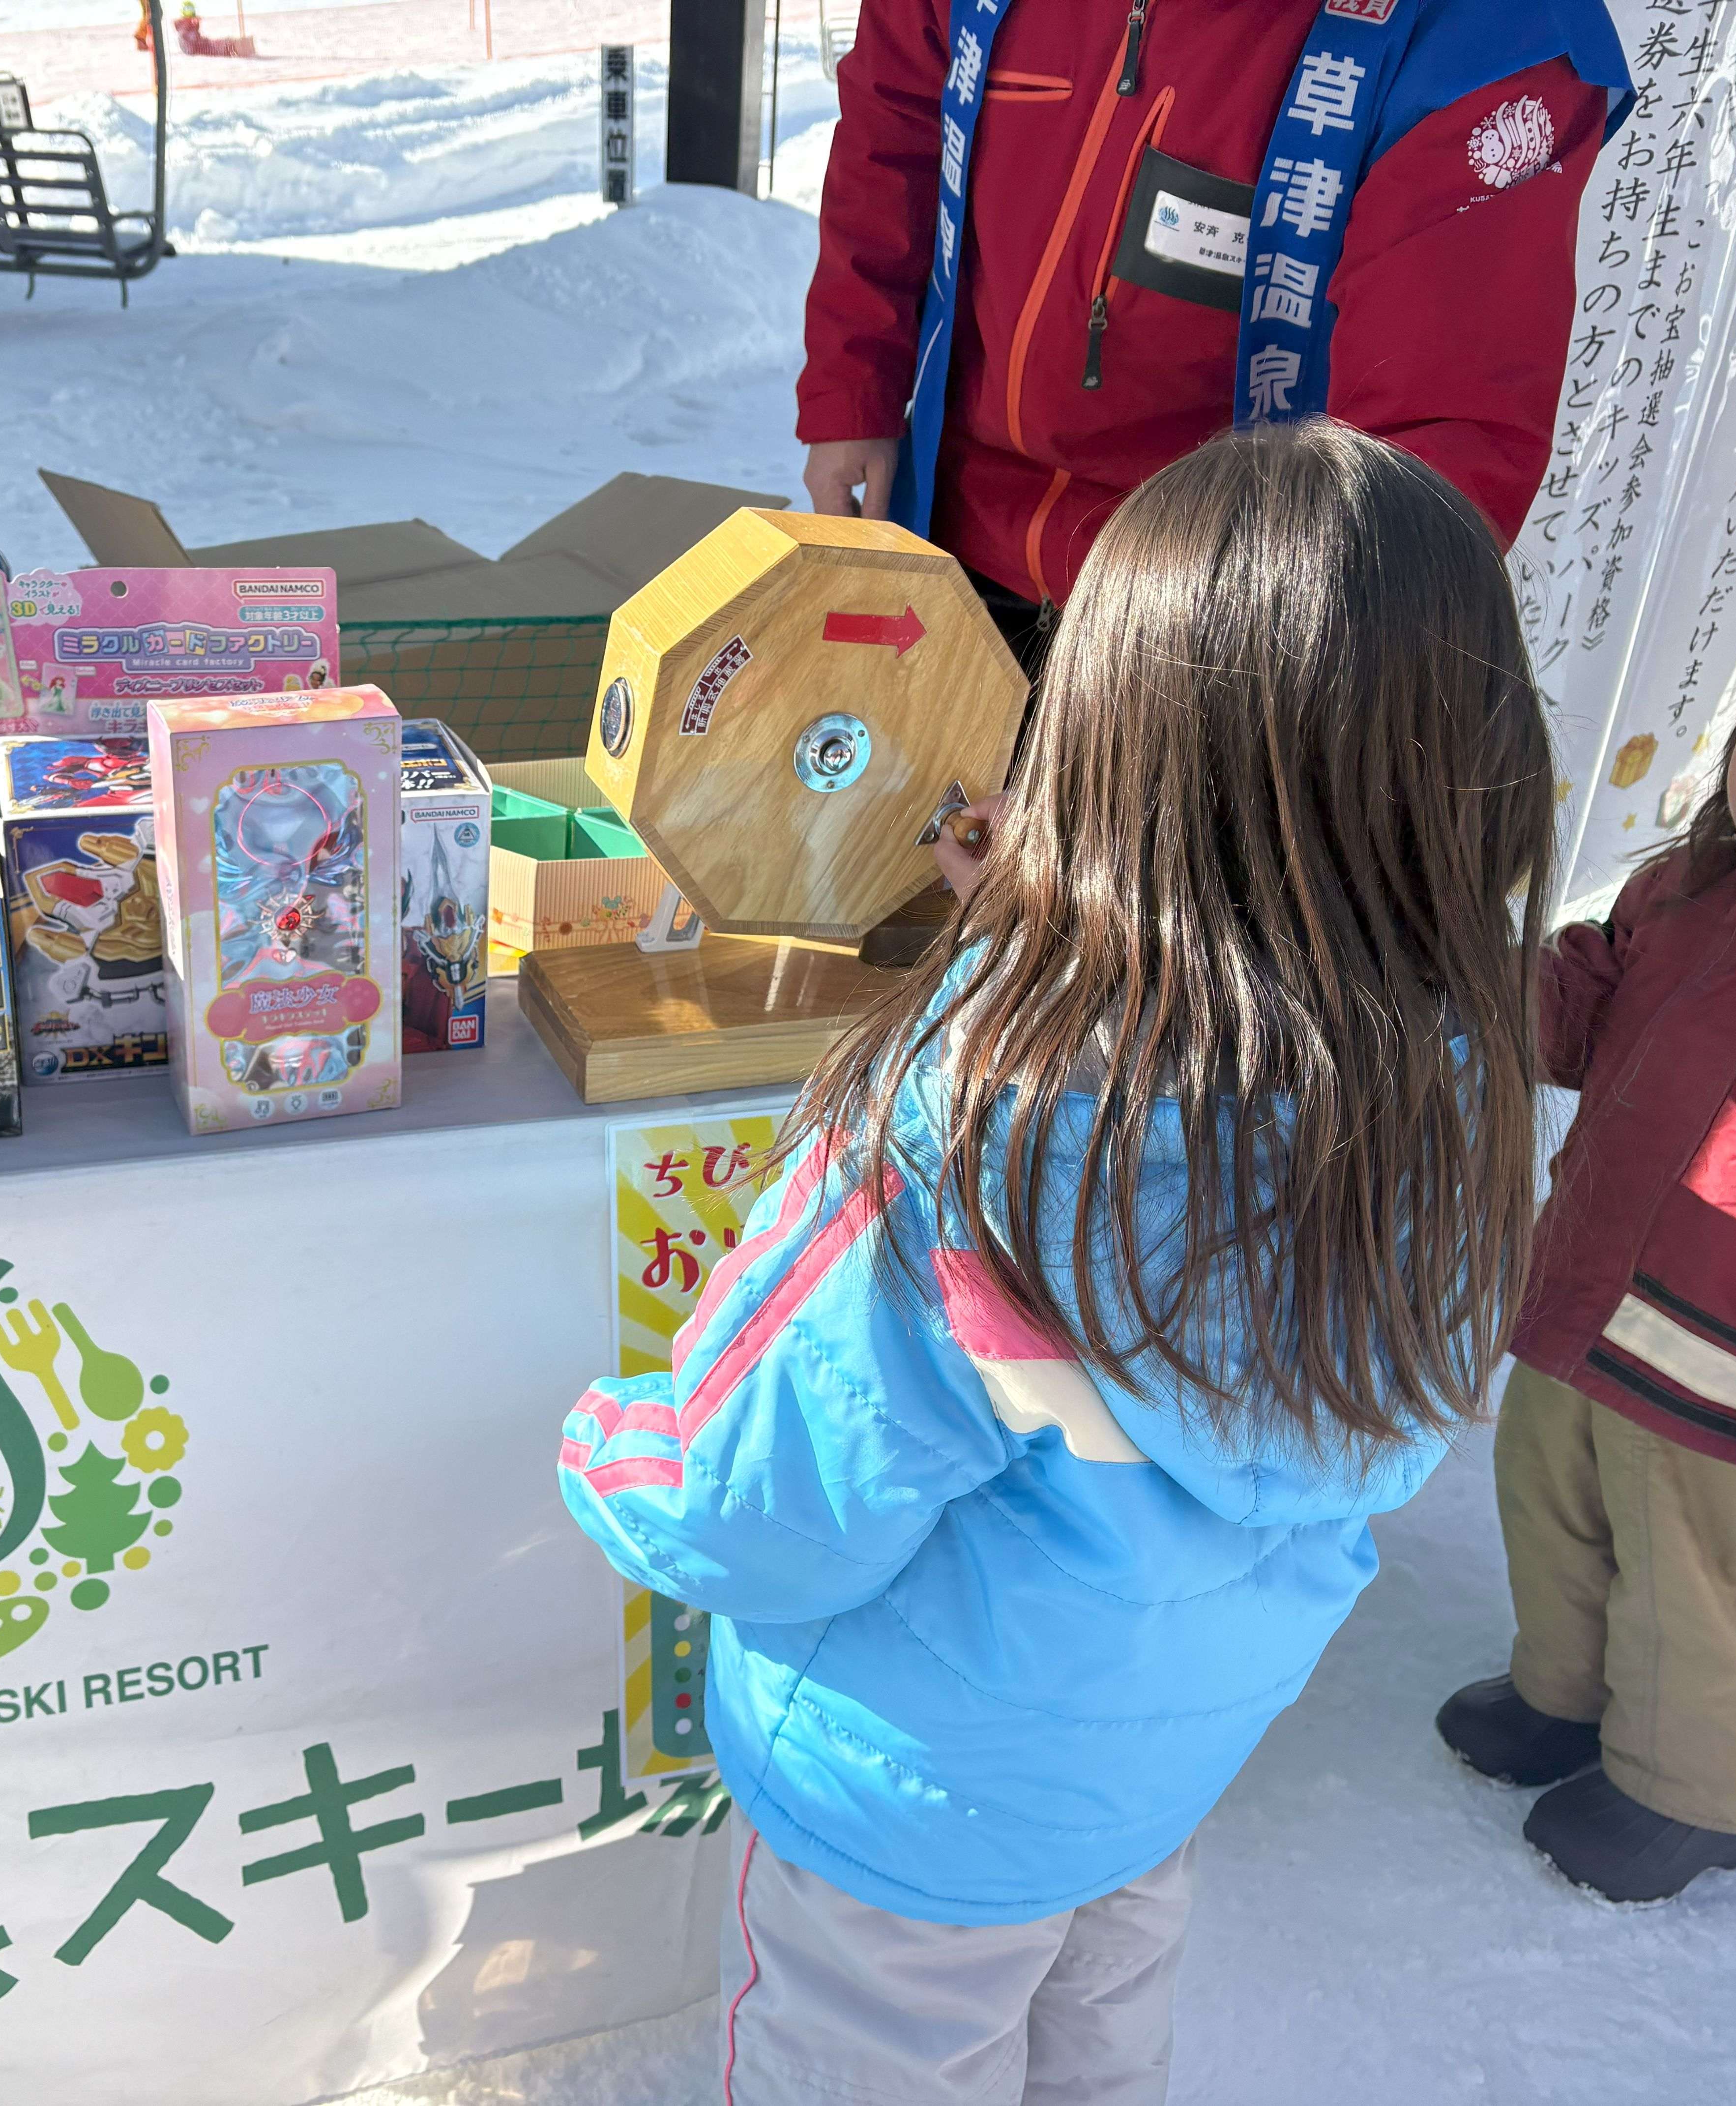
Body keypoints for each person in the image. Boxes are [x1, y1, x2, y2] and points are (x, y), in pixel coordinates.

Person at [557, 421, 1556, 2104]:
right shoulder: (1447, 1085)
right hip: (1159, 1746)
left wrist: (609, 1447)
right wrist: (1050, 909)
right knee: (1098, 2027)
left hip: (916, 1786)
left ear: (1100, 739)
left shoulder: (975, 1127)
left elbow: (761, 1501)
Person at [1437, 564, 1736, 1903]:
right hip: (1587, 1304)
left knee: (1711, 1594)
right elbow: (1578, 1003)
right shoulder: (1693, 890)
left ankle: (1706, 1794)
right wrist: (1455, 974)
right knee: (1555, 1508)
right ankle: (1567, 1698)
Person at [799, 0, 1629, 665]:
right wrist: (852, 391)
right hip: (939, 531)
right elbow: (896, 122)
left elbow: (1432, 455)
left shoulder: (1496, 38)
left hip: (1201, 639)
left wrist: (1259, 743)